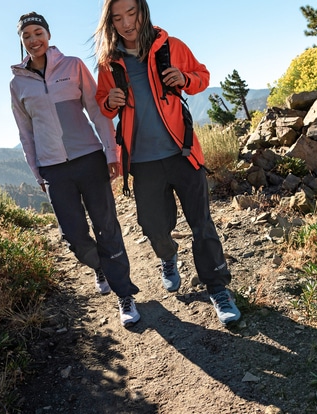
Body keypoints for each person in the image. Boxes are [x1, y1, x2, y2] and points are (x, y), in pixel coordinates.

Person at [93, 0, 241, 325]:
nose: (127, 23)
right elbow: (102, 104)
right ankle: (168, 256)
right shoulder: (109, 63)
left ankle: (218, 288)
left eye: (131, 13)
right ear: (111, 23)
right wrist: (109, 101)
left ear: (143, 12)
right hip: (142, 163)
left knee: (202, 225)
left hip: (183, 153)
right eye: (118, 18)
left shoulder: (171, 46)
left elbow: (202, 76)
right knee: (153, 227)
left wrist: (184, 77)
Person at [10, 12, 141, 327]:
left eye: (38, 32)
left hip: (89, 159)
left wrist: (112, 152)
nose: (33, 39)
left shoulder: (73, 66)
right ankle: (101, 268)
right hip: (54, 168)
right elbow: (25, 134)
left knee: (107, 227)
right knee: (74, 237)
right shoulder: (17, 84)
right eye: (26, 35)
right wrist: (37, 171)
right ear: (22, 42)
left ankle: (125, 295)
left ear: (49, 35)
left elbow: (97, 112)